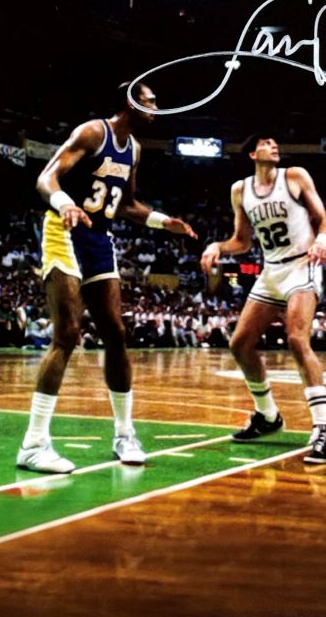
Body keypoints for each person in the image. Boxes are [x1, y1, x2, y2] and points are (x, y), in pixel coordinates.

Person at [16, 81, 196, 474]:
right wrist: (65, 204)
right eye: (150, 100)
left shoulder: (134, 149)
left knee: (116, 333)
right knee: (67, 334)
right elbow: (47, 178)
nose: (156, 107)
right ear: (130, 101)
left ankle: (124, 432)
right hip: (65, 230)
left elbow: (127, 204)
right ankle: (33, 443)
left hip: (99, 238)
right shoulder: (93, 132)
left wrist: (164, 222)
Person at [199, 135, 326, 465]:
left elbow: (324, 220)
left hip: (302, 264)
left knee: (295, 338)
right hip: (271, 270)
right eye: (266, 143)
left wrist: (321, 241)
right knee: (239, 343)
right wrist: (217, 247)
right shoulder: (240, 190)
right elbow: (242, 241)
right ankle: (267, 416)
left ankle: (324, 429)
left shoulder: (295, 176)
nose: (274, 146)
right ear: (252, 152)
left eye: (276, 143)